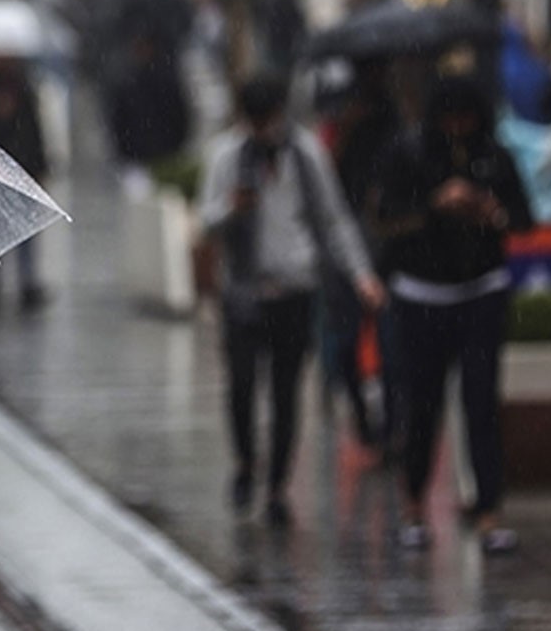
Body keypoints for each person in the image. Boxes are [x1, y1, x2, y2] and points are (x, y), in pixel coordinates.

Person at [200, 76, 385, 528]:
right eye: (256, 121)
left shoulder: (306, 155)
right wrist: (231, 208)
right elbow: (205, 220)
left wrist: (362, 275)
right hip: (244, 291)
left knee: (286, 392)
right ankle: (246, 463)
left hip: (295, 291)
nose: (263, 130)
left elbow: (333, 218)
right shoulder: (227, 155)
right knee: (242, 387)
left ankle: (278, 486)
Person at [373, 77, 533, 554]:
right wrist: (435, 206)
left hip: (482, 292)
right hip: (422, 295)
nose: (459, 128)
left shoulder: (495, 156)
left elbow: (524, 218)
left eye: (467, 118)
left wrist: (491, 213)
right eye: (451, 118)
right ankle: (414, 506)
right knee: (421, 405)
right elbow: (383, 219)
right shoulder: (408, 153)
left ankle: (489, 511)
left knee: (481, 403)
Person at [317, 60, 403, 452]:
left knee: (389, 343)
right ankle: (364, 420)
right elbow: (325, 181)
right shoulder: (342, 121)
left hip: (385, 248)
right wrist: (346, 129)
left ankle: (390, 428)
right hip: (346, 248)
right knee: (347, 340)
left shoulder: (396, 123)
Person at [0, 59, 49, 310]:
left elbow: (33, 130)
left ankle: (27, 284)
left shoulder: (23, 89)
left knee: (25, 232)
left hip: (21, 169)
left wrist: (40, 165)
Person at [108, 30, 191, 193]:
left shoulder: (164, 82)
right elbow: (118, 120)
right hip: (140, 159)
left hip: (162, 158)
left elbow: (180, 116)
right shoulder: (128, 83)